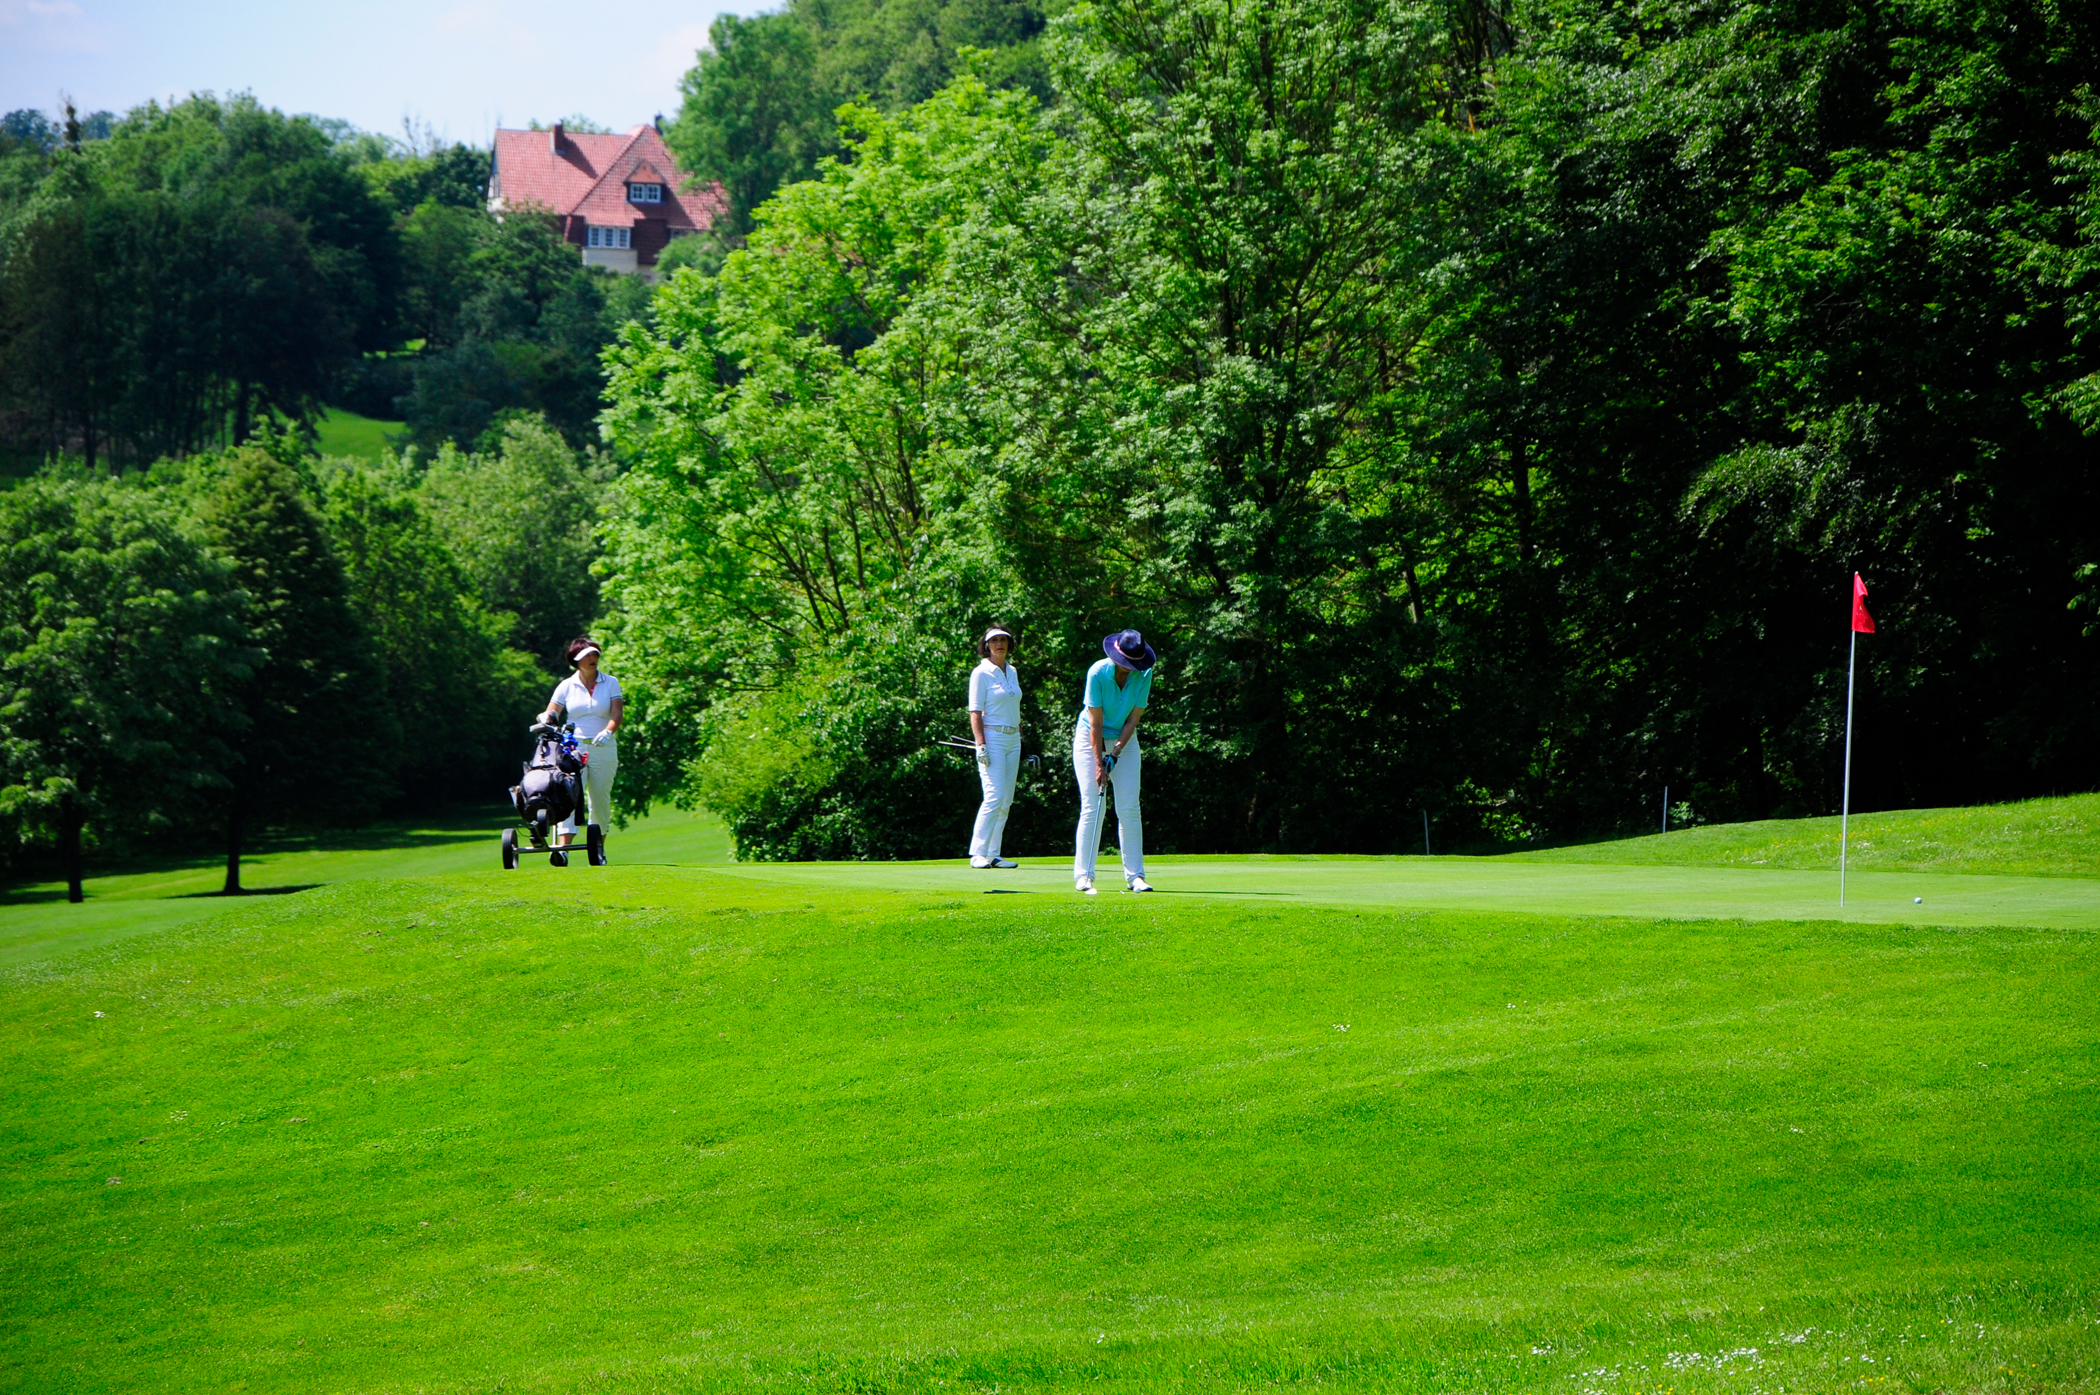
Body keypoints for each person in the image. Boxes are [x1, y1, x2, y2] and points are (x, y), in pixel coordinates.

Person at [1073, 629, 1155, 894]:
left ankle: (1136, 877)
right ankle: (1084, 876)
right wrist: (1100, 763)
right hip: (1090, 737)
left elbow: (1133, 718)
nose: (1129, 667)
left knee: (1130, 808)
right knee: (1093, 807)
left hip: (1125, 740)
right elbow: (1095, 723)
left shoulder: (1144, 673)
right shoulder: (1097, 672)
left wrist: (1116, 751)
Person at [537, 637, 622, 866]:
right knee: (569, 795)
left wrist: (608, 731)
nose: (592, 659)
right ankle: (563, 850)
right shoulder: (566, 685)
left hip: (603, 747)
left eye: (595, 654)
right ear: (576, 661)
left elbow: (617, 714)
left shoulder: (610, 682)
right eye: (587, 656)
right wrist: (546, 717)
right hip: (573, 749)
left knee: (599, 799)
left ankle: (598, 849)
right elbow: (552, 712)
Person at [967, 625, 1023, 869]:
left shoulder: (1012, 671)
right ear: (987, 645)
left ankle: (993, 853)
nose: (999, 644)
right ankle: (978, 853)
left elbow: (1014, 708)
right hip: (992, 739)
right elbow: (975, 712)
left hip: (1013, 739)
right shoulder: (981, 673)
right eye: (994, 641)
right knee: (994, 796)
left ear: (1009, 644)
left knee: (1006, 799)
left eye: (1003, 640)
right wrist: (981, 744)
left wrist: (1021, 738)